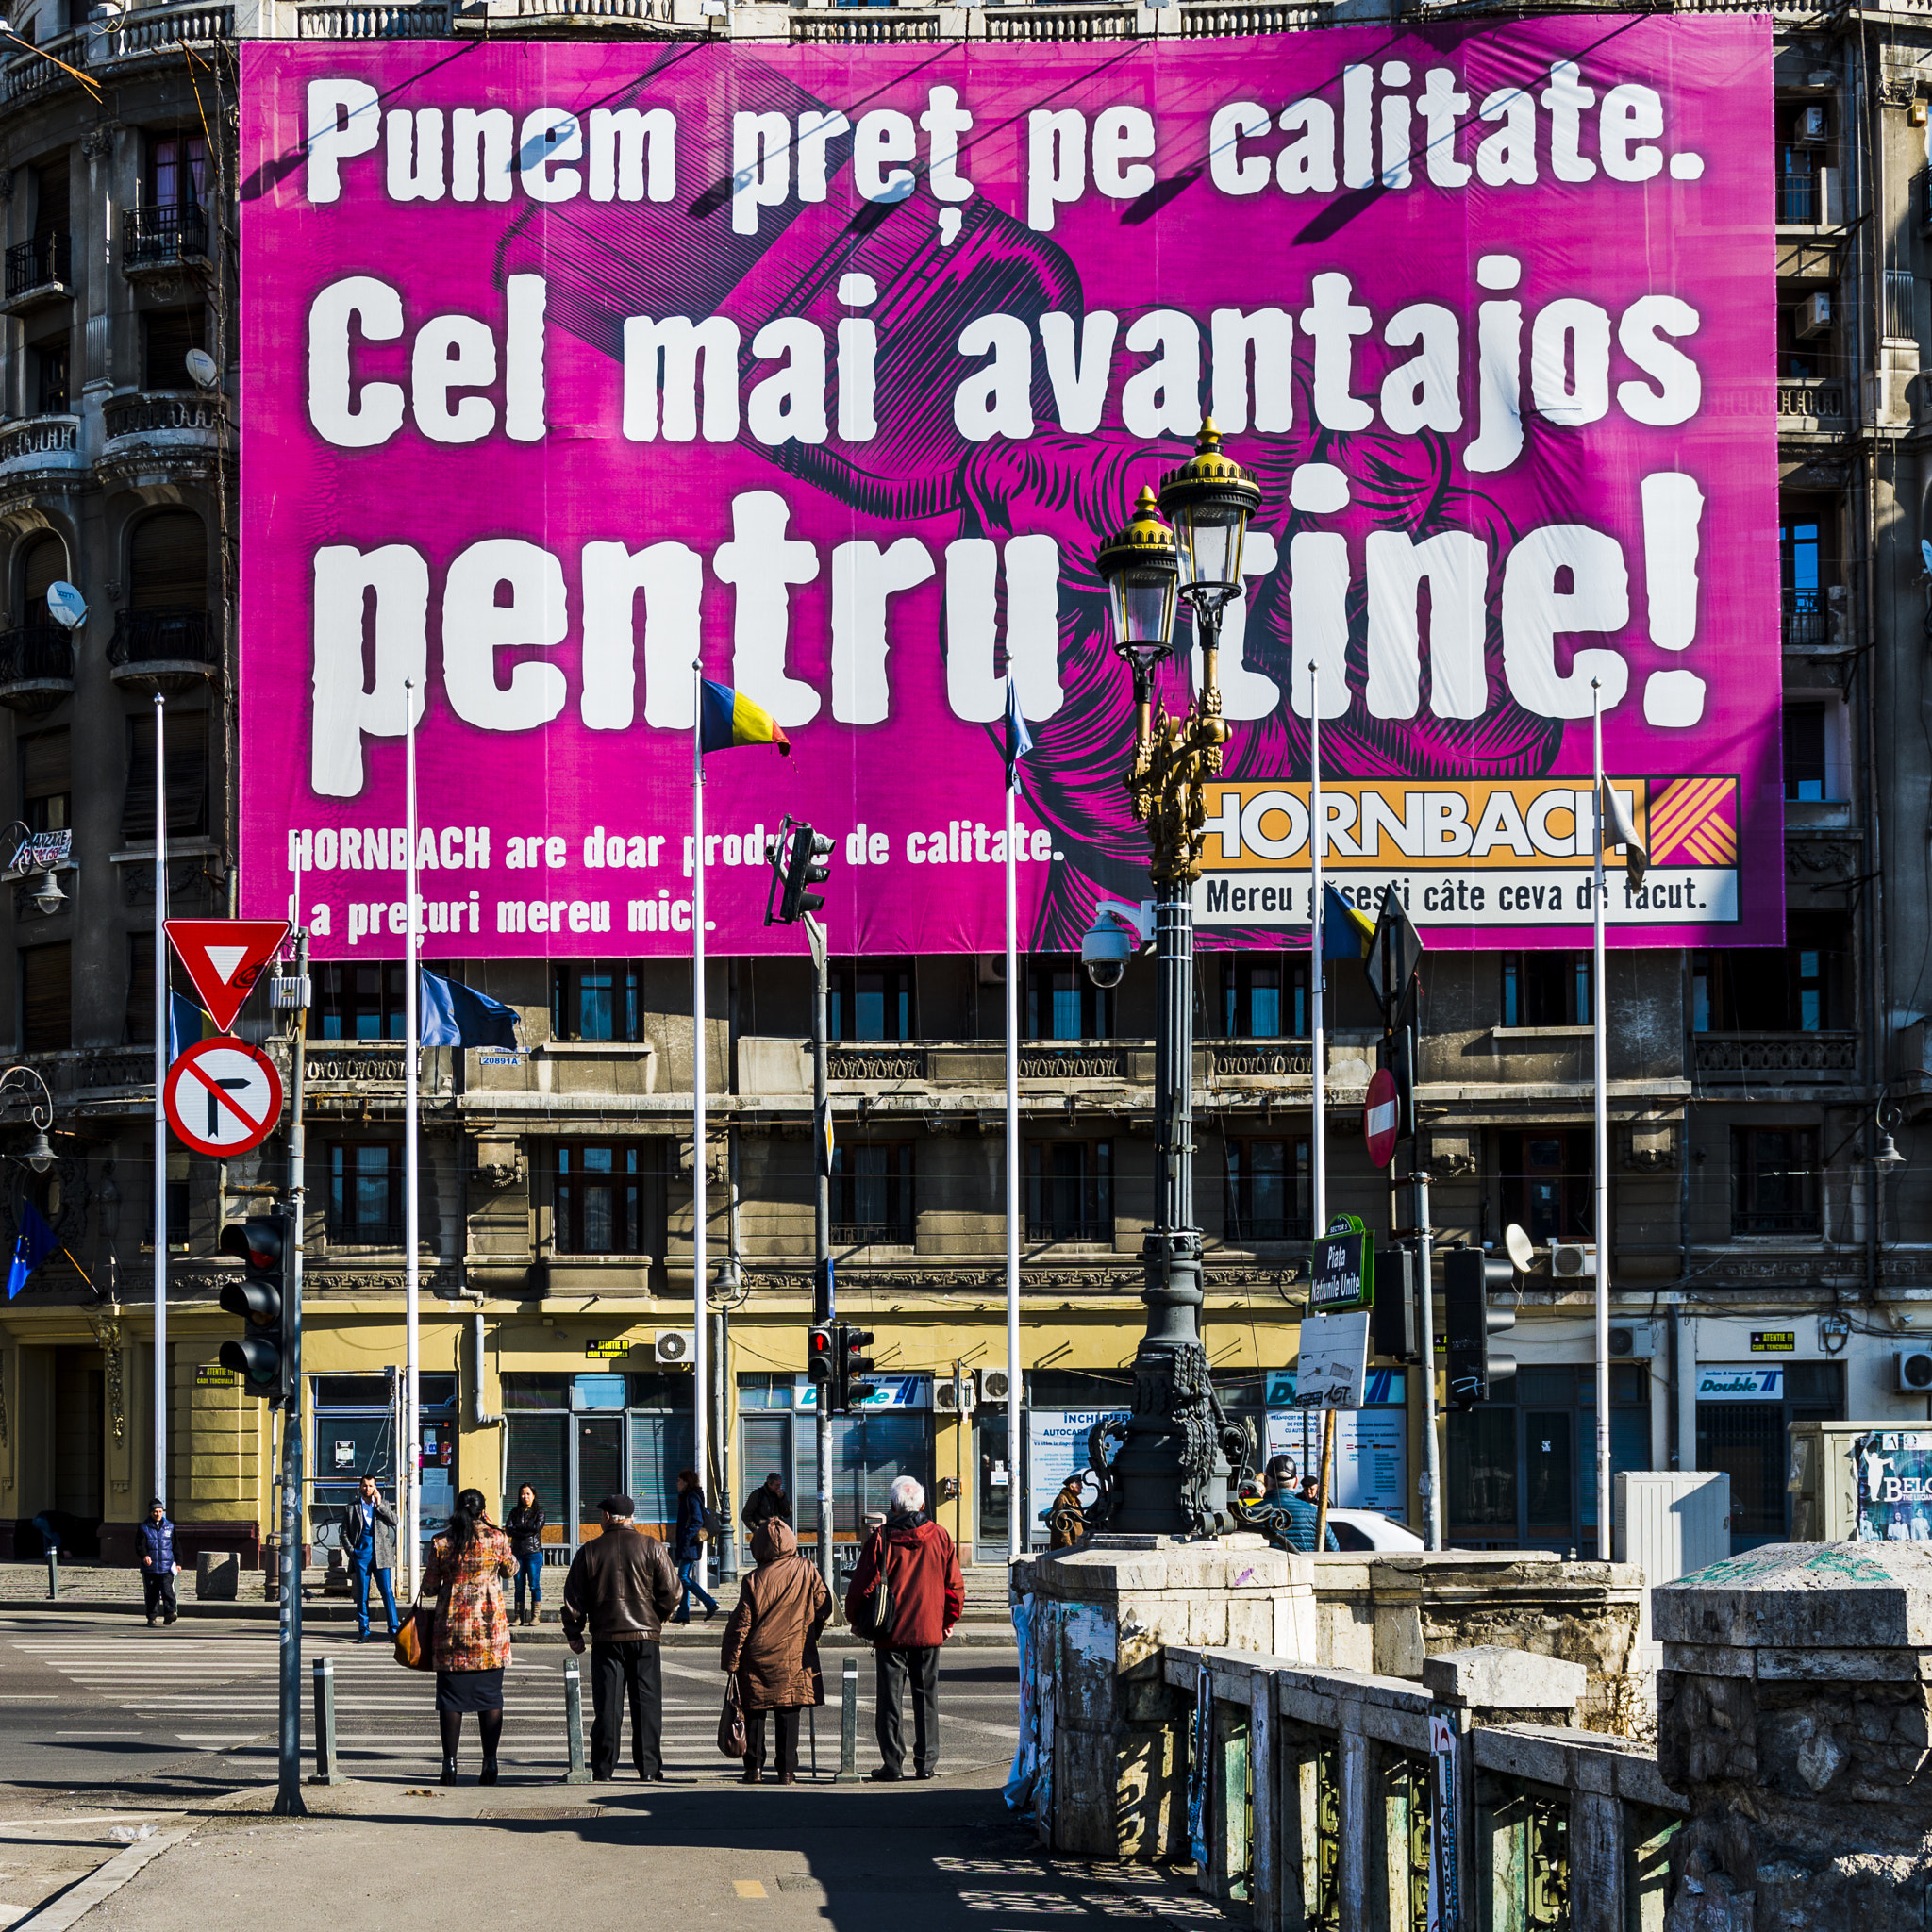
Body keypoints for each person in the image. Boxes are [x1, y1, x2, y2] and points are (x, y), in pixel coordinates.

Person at [843, 1474, 962, 1782]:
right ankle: (926, 1764)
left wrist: (856, 1620)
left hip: (889, 1631)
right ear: (923, 1504)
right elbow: (954, 1587)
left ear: (894, 1506)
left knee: (890, 1700)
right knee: (926, 1699)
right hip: (927, 1630)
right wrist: (948, 1621)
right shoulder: (940, 1536)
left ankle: (893, 1765)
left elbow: (860, 1586)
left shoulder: (881, 1538)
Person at [560, 1493, 680, 1782]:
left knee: (607, 1707)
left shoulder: (589, 1551)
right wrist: (659, 1615)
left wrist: (574, 1632)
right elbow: (673, 1591)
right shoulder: (651, 1546)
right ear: (631, 1518)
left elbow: (573, 1598)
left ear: (606, 1517)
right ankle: (649, 1769)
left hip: (606, 1637)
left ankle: (603, 1768)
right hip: (645, 1637)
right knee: (647, 1705)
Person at [720, 1516, 828, 1785]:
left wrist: (731, 1661)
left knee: (755, 1711)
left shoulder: (753, 1579)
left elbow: (741, 1623)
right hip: (794, 1654)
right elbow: (824, 1605)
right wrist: (811, 1631)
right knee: (788, 1711)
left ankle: (754, 1769)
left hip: (756, 1656)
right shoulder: (806, 1569)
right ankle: (787, 1771)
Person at [421, 1487, 515, 1786]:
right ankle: (490, 1763)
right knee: (490, 1699)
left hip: (452, 1633)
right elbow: (511, 1570)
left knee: (451, 1700)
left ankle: (449, 1765)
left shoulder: (441, 1541)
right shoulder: (498, 1538)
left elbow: (429, 1587)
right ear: (482, 1510)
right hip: (490, 1633)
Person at [340, 1474, 399, 1644]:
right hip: (362, 1555)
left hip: (382, 1555)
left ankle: (394, 1630)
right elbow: (343, 1533)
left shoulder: (383, 1505)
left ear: (375, 1487)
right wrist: (353, 1552)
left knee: (387, 1592)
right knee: (362, 1594)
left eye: (371, 1485)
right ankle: (364, 1632)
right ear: (360, 1487)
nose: (368, 1488)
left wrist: (379, 1505)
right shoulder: (351, 1508)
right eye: (365, 1485)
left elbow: (395, 1521)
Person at [672, 1470, 718, 1624]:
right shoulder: (689, 1496)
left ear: (686, 1482)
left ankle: (709, 1602)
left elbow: (697, 1520)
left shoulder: (691, 1497)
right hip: (688, 1544)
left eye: (679, 1480)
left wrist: (686, 1536)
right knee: (683, 1578)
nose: (677, 1483)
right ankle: (683, 1613)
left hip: (689, 1544)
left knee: (683, 1577)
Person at [505, 1483, 546, 1627]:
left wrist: (518, 1527)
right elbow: (509, 1530)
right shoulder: (514, 1512)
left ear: (534, 1495)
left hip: (533, 1553)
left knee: (534, 1585)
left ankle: (535, 1616)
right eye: (523, 1493)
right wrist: (524, 1530)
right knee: (518, 1586)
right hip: (517, 1553)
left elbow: (536, 1528)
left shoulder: (539, 1512)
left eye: (528, 1494)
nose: (525, 1497)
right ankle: (518, 1617)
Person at [137, 1498, 179, 1627]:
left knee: (167, 1590)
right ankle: (152, 1616)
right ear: (150, 1512)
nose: (158, 1514)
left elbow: (176, 1546)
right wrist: (144, 1556)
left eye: (160, 1511)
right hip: (150, 1567)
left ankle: (170, 1613)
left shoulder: (169, 1527)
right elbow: (139, 1545)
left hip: (166, 1566)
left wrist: (179, 1562)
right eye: (155, 1511)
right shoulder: (144, 1527)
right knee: (152, 1593)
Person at [741, 1472, 791, 1537]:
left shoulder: (780, 1495)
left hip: (777, 1531)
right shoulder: (758, 1495)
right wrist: (756, 1530)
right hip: (763, 1530)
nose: (779, 1488)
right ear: (769, 1485)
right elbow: (746, 1515)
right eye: (777, 1485)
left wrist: (782, 1499)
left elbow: (787, 1513)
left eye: (780, 1485)